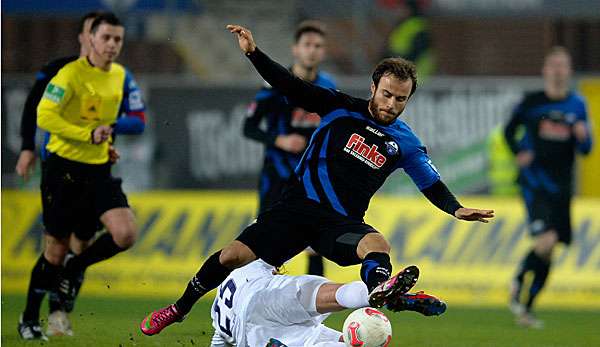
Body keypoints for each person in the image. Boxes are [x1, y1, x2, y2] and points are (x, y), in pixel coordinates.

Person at [139, 24, 494, 336]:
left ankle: (384, 290)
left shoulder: (405, 142)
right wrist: (254, 54)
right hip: (295, 210)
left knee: (378, 244)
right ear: (374, 87)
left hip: (338, 224)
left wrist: (456, 209)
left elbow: (430, 183)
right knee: (231, 256)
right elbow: (290, 85)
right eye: (386, 94)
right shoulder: (338, 106)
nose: (391, 104)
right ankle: (179, 308)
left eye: (401, 99)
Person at [15, 11, 146, 338]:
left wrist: (107, 137)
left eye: (118, 39)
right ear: (90, 39)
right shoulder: (68, 74)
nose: (113, 44)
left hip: (99, 170)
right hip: (63, 171)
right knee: (55, 250)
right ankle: (29, 318)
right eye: (106, 38)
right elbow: (44, 114)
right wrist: (84, 135)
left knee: (125, 233)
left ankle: (76, 267)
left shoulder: (119, 75)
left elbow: (133, 120)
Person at [505, 46, 593, 328]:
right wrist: (519, 150)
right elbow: (509, 130)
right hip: (534, 182)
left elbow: (587, 148)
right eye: (553, 64)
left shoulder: (577, 105)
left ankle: (526, 309)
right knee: (546, 240)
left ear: (568, 71)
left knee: (550, 248)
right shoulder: (532, 102)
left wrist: (582, 137)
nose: (557, 70)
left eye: (562, 65)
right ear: (545, 70)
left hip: (562, 186)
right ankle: (518, 280)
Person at [243, 20, 336, 277]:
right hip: (276, 174)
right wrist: (279, 140)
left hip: (310, 175)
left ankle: (315, 309)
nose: (312, 50)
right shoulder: (274, 83)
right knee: (264, 239)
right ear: (295, 49)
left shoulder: (328, 86)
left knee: (315, 242)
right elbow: (248, 127)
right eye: (307, 44)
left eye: (318, 46)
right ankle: (255, 295)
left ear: (323, 52)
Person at [202, 260, 444, 347]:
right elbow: (271, 233)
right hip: (261, 299)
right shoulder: (249, 259)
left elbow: (219, 340)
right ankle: (378, 293)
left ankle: (382, 296)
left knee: (324, 339)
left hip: (257, 336)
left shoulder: (218, 312)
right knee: (331, 294)